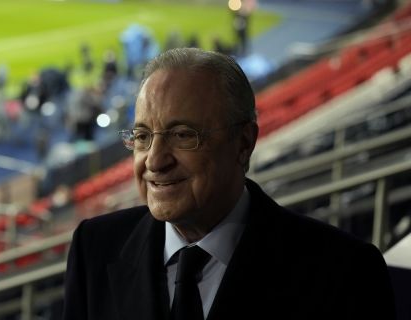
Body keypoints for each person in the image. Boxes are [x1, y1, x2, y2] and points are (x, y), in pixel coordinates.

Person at [62, 48, 396, 320]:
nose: (154, 160)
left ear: (243, 143)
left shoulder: (344, 272)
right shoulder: (94, 248)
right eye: (142, 136)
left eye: (182, 135)